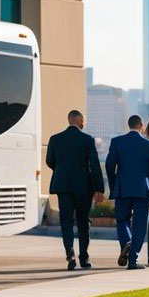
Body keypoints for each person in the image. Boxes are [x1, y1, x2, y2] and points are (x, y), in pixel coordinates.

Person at [46, 110, 105, 270]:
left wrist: (62, 171)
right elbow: (94, 165)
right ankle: (84, 257)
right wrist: (100, 188)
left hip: (63, 186)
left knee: (66, 221)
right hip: (83, 187)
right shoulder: (87, 140)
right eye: (83, 120)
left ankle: (70, 254)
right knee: (83, 222)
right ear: (79, 121)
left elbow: (50, 161)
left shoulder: (55, 139)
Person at [105, 115, 149, 270]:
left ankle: (126, 243)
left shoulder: (116, 142)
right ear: (141, 125)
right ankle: (132, 259)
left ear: (129, 125)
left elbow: (109, 166)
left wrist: (114, 184)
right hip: (142, 190)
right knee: (139, 226)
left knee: (122, 221)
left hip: (122, 189)